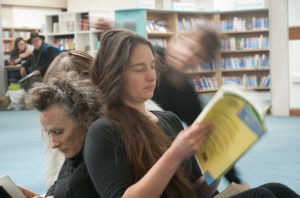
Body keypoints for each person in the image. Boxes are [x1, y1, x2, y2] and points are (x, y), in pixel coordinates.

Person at [84, 29, 300, 198]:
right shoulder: (104, 130)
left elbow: (195, 191)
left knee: (276, 189)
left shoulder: (169, 119)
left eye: (152, 66)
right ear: (115, 74)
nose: (151, 76)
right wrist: (175, 154)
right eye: (139, 69)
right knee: (261, 195)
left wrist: (214, 174)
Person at [152, 26, 242, 185]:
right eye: (187, 46)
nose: (187, 55)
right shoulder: (149, 57)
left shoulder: (187, 92)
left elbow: (206, 135)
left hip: (163, 155)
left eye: (198, 55)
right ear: (176, 40)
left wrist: (236, 182)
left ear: (202, 63)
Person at [24, 73, 101, 198]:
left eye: (58, 132)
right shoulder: (76, 152)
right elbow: (59, 185)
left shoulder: (92, 167)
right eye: (49, 133)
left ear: (84, 120)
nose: (54, 144)